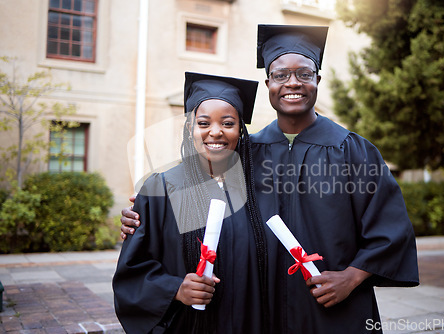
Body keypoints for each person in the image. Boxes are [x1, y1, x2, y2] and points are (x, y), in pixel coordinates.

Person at [121, 25, 419, 333]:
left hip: (336, 307)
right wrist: (143, 213)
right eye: (280, 75)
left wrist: (352, 277)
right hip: (264, 309)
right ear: (268, 83)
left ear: (317, 79)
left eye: (304, 74)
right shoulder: (247, 153)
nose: (293, 82)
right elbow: (197, 198)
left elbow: (390, 229)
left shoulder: (353, 150)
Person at [113, 72, 269, 334]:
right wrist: (175, 289)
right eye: (204, 123)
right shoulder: (161, 189)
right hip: (188, 326)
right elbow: (132, 273)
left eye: (228, 123)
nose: (216, 132)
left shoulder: (258, 190)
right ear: (190, 128)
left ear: (240, 130)